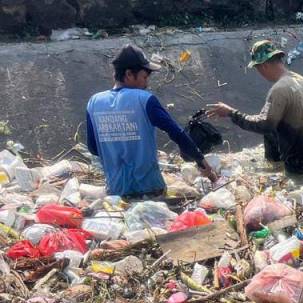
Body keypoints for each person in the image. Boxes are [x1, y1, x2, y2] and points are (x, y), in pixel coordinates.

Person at [86, 44, 216, 199]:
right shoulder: (145, 99)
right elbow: (177, 133)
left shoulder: (94, 103)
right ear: (129, 74)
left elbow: (94, 149)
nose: (146, 84)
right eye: (144, 77)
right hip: (150, 190)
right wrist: (201, 161)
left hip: (116, 192)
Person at [206, 40, 303, 175]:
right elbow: (270, 127)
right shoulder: (300, 79)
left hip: (301, 155)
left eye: (257, 69)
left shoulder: (279, 89)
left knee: (294, 180)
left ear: (264, 66)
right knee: (270, 134)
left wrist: (231, 113)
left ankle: (282, 173)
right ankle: (274, 167)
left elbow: (264, 125)